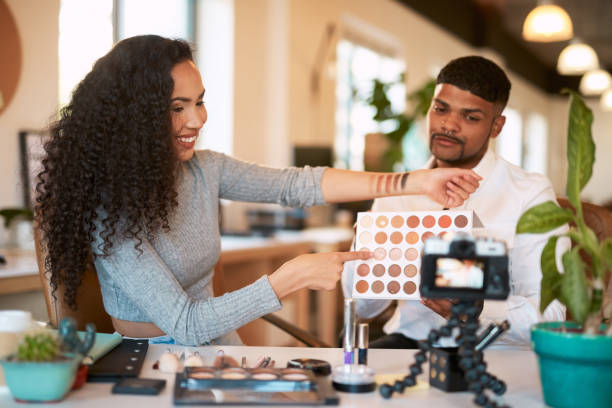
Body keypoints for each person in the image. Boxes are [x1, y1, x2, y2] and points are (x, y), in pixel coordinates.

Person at [35, 35, 480, 346]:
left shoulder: (203, 171)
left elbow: (297, 184)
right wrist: (293, 277)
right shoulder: (109, 212)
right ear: (134, 115)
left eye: (200, 101)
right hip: (153, 360)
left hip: (213, 347)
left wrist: (415, 180)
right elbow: (186, 323)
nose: (197, 120)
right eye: (177, 108)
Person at [342, 55, 568, 349]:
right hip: (410, 344)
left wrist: (478, 308)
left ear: (496, 126)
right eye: (440, 109)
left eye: (470, 117)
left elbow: (550, 316)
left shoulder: (529, 194)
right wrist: (386, 253)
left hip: (492, 351)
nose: (448, 124)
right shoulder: (399, 190)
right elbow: (360, 307)